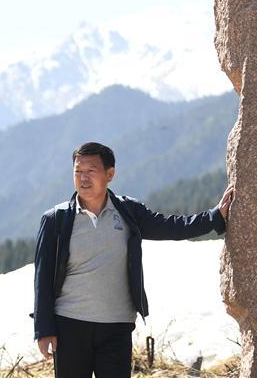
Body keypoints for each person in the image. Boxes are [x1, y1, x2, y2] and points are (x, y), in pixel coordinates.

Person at [33, 141, 234, 378]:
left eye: (91, 171)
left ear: (110, 174)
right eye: (78, 171)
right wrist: (44, 329)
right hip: (69, 325)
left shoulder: (127, 212)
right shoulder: (57, 219)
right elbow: (42, 278)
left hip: (117, 327)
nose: (83, 178)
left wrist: (214, 217)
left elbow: (170, 227)